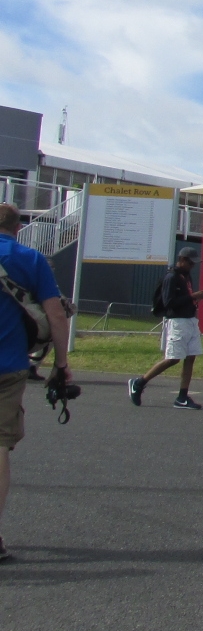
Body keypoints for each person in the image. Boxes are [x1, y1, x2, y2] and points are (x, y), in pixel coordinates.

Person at [0, 202, 74, 563]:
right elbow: (56, 315)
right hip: (9, 366)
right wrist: (60, 364)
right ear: (18, 227)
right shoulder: (30, 259)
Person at [128, 245, 203, 409]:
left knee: (191, 357)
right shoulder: (171, 277)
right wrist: (192, 296)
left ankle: (182, 396)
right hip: (177, 322)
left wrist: (194, 299)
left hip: (191, 320)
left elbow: (185, 298)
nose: (193, 266)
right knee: (173, 358)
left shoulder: (186, 276)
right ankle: (139, 382)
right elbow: (169, 302)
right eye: (190, 262)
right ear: (182, 260)